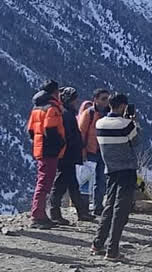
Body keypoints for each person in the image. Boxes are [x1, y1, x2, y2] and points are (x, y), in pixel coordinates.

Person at [91, 93, 139, 261]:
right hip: (126, 170)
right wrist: (133, 121)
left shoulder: (99, 123)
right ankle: (112, 250)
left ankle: (97, 243)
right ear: (122, 106)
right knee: (121, 210)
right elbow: (135, 141)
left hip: (110, 169)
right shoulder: (126, 124)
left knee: (109, 206)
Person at [50, 87, 94, 224]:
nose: (76, 102)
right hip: (67, 154)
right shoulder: (67, 114)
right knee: (60, 185)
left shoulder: (65, 113)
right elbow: (70, 136)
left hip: (66, 154)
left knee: (72, 184)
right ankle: (55, 213)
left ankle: (81, 212)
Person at [26, 80, 66, 229]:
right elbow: (51, 130)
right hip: (49, 150)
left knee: (42, 180)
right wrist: (60, 144)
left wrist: (38, 142)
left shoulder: (36, 108)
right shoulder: (52, 108)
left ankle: (39, 213)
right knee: (45, 182)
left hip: (40, 148)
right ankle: (38, 215)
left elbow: (31, 131)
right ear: (54, 92)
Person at [78, 88, 110, 215]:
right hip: (90, 151)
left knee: (101, 180)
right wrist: (82, 151)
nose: (106, 102)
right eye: (103, 99)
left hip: (103, 152)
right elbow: (81, 133)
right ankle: (84, 208)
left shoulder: (109, 113)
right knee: (85, 181)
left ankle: (98, 207)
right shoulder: (88, 114)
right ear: (95, 99)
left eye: (107, 98)